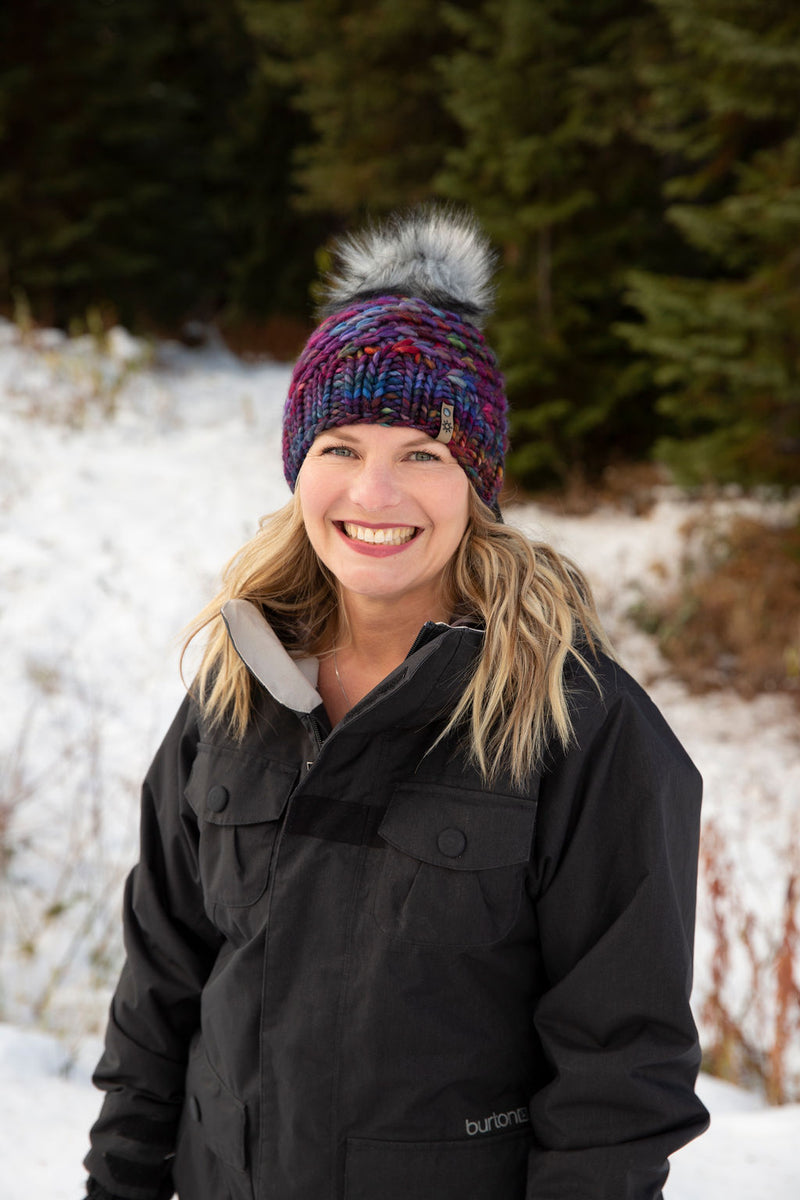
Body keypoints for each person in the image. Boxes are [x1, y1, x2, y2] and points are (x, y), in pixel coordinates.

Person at [84, 208, 708, 1200]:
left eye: (422, 452)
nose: (373, 492)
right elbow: (158, 997)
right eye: (339, 444)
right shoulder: (236, 689)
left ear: (478, 483)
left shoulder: (577, 725)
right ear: (298, 467)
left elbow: (617, 1079)